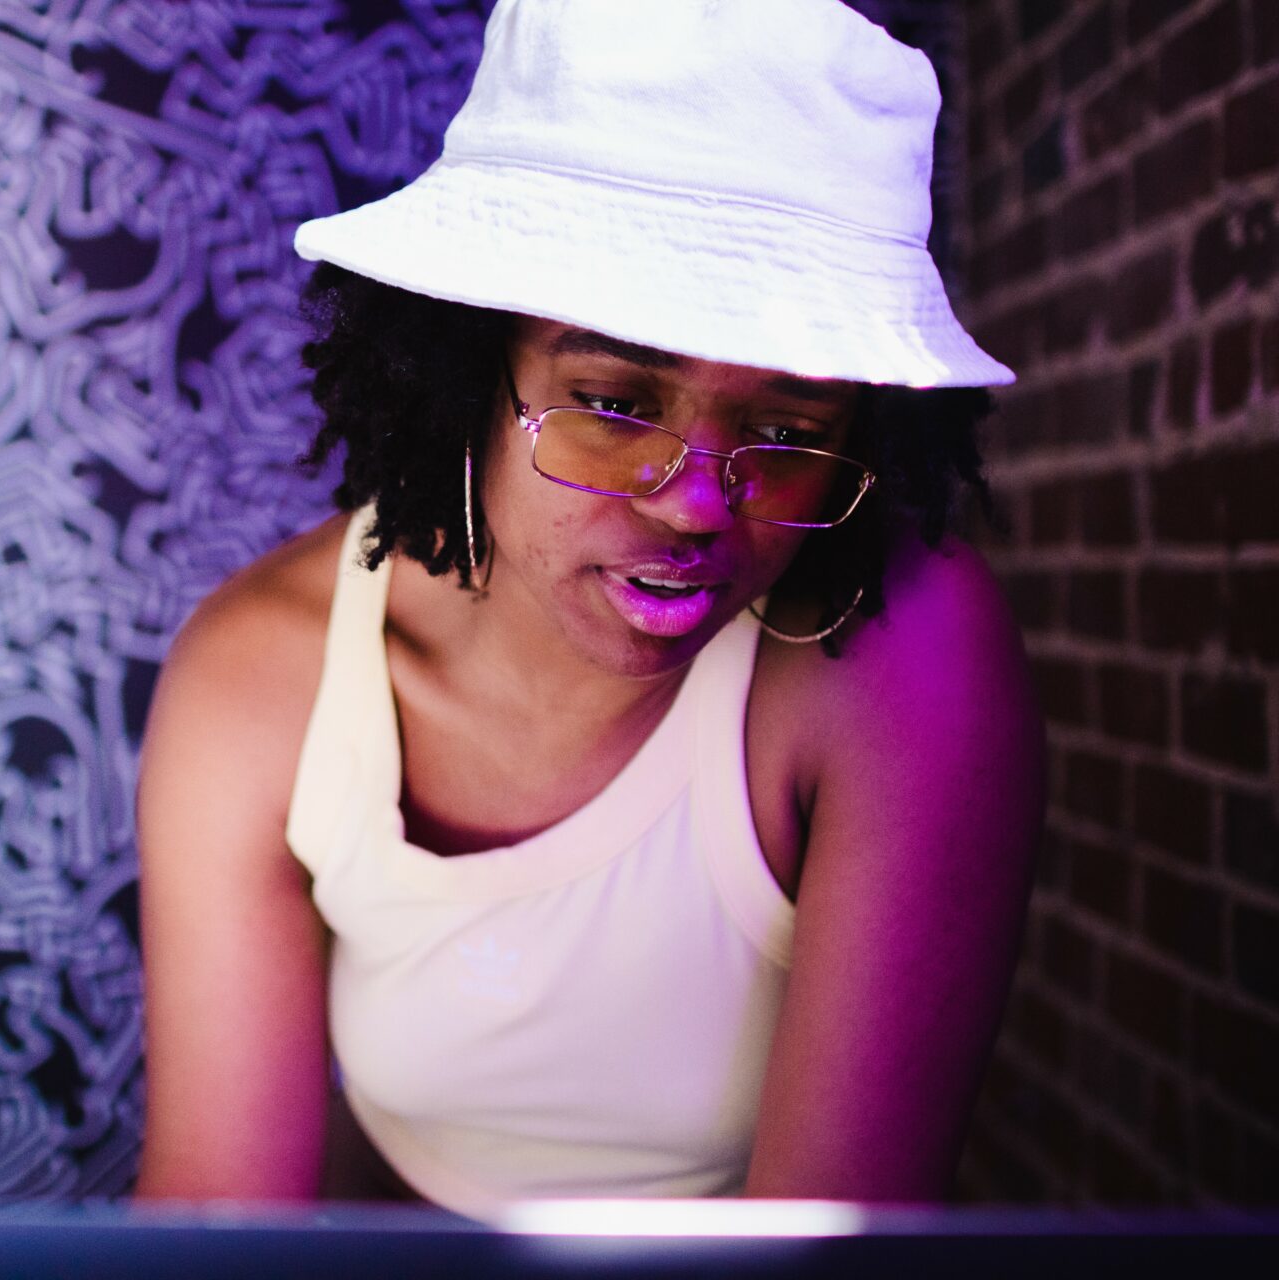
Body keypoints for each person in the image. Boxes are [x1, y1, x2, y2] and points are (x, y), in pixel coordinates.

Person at [134, 0, 1045, 1215]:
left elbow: (834, 1241)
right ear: (468, 374)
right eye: (614, 403)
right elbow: (215, 1210)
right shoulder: (262, 679)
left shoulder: (898, 650)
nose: (697, 504)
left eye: (787, 429)